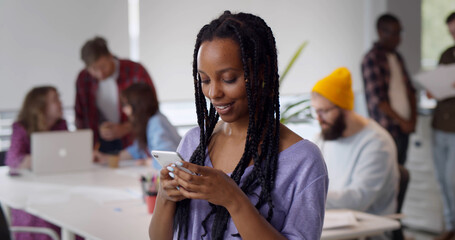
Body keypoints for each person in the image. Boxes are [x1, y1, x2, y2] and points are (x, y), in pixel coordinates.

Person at [149, 11, 328, 240]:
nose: (214, 93)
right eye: (204, 80)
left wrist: (234, 199)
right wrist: (165, 197)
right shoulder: (194, 144)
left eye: (229, 79)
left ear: (261, 73)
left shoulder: (303, 161)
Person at [311, 67, 399, 215]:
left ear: (344, 108)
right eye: (315, 110)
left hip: (368, 231)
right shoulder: (323, 138)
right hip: (331, 221)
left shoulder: (377, 143)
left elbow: (358, 200)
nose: (318, 119)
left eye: (324, 111)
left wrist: (309, 196)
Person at [75, 36, 156, 155]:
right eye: (94, 69)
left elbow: (151, 109)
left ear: (110, 56)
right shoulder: (83, 79)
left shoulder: (136, 71)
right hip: (99, 146)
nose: (100, 73)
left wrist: (125, 128)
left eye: (103, 66)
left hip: (133, 144)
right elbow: (80, 117)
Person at [5, 86, 67, 240]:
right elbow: (13, 160)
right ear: (40, 105)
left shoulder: (61, 125)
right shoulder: (21, 128)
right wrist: (46, 155)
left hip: (60, 186)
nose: (60, 103)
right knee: (44, 219)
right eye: (55, 100)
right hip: (32, 194)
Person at [361, 13, 417, 166]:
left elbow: (410, 90)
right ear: (380, 32)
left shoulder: (397, 57)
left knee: (402, 172)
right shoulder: (372, 59)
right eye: (393, 33)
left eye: (399, 32)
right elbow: (378, 100)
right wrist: (403, 121)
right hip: (387, 129)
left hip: (404, 128)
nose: (398, 38)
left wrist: (412, 120)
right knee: (388, 175)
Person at [96, 83, 181, 169]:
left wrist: (147, 162)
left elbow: (168, 161)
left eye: (126, 105)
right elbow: (136, 150)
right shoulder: (148, 123)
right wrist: (106, 158)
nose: (124, 110)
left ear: (138, 106)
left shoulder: (156, 123)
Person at [430, 12, 455, 240]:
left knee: (452, 179)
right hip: (440, 124)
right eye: (451, 32)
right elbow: (437, 86)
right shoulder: (447, 54)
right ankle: (450, 225)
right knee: (441, 179)